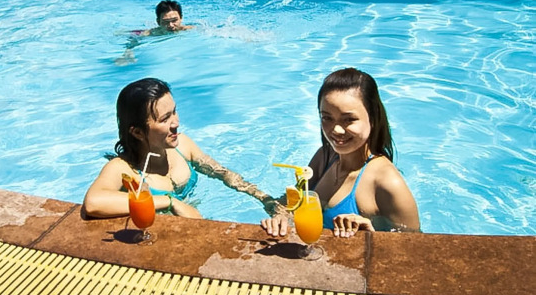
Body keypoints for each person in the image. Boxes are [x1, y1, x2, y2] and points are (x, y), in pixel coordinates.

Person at [83, 77, 278, 219]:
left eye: (174, 112)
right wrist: (170, 202)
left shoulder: (183, 146)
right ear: (138, 132)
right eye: (165, 119)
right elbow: (93, 203)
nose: (176, 123)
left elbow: (224, 174)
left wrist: (267, 201)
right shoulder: (123, 168)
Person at [261, 68, 420, 238]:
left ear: (373, 118)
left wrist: (371, 234)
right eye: (327, 118)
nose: (336, 130)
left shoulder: (388, 183)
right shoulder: (326, 156)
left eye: (349, 119)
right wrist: (281, 217)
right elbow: (292, 202)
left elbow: (416, 247)